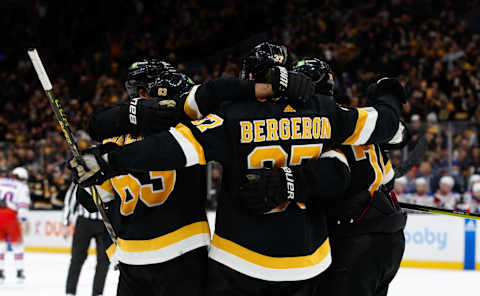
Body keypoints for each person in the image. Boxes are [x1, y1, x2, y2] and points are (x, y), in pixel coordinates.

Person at [69, 45, 406, 295]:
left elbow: (170, 148)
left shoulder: (229, 117)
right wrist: (389, 94)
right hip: (307, 261)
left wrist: (109, 161)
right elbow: (385, 128)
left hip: (237, 261)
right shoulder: (326, 110)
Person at [241, 58, 407, 296]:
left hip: (357, 241)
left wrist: (287, 182)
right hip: (390, 234)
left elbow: (335, 173)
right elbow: (400, 132)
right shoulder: (357, 119)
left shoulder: (319, 125)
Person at [63, 181, 109, 296]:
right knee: (76, 258)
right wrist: (66, 222)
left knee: (104, 261)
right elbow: (71, 199)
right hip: (84, 222)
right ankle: (70, 292)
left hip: (105, 223)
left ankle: (97, 293)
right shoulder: (82, 175)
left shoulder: (110, 175)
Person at [0, 167, 30, 284]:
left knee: (0, 245)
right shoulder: (22, 186)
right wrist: (23, 220)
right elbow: (23, 205)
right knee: (17, 244)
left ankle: (0, 271)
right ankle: (19, 271)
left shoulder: (1, 181)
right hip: (10, 215)